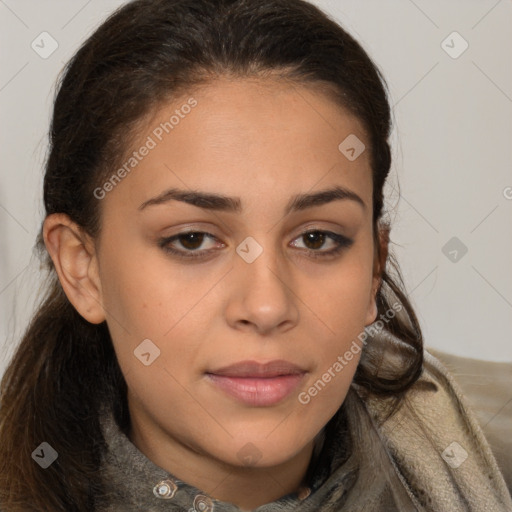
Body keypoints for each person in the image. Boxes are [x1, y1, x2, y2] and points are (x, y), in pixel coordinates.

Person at [0, 0, 510, 510]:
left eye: (316, 239)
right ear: (82, 268)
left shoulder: (490, 459)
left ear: (374, 268)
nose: (267, 306)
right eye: (193, 240)